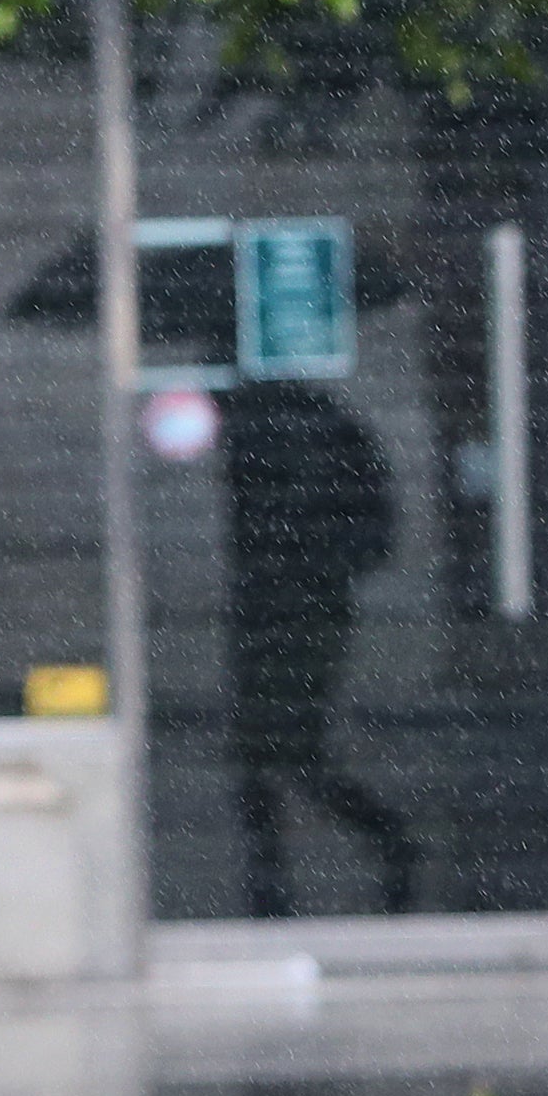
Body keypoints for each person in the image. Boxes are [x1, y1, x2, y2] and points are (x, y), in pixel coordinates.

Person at [220, 378, 414, 916]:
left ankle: (374, 845)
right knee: (267, 752)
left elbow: (350, 528)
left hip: (296, 608)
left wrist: (297, 567)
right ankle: (274, 878)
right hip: (280, 604)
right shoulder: (294, 423)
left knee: (280, 752)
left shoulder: (294, 427)